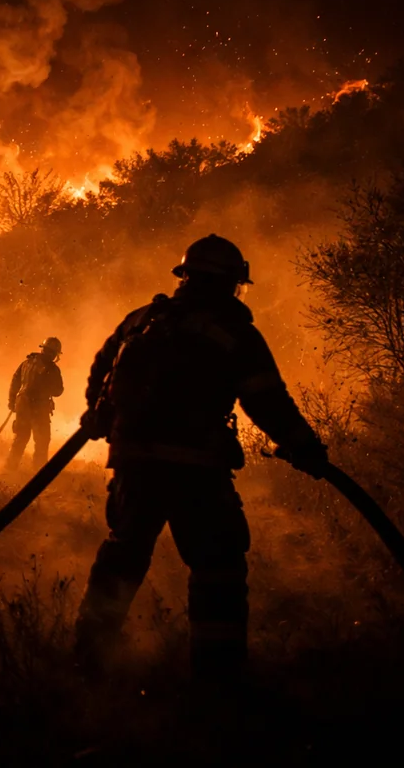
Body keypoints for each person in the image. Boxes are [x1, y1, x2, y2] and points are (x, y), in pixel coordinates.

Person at [75, 235, 328, 683]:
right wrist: (304, 446)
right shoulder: (235, 331)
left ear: (185, 276)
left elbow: (101, 370)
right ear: (231, 282)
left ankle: (89, 657)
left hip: (134, 465)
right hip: (196, 471)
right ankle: (218, 675)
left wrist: (99, 414)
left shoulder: (141, 320)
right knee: (218, 567)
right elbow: (267, 399)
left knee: (124, 555)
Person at [5, 337, 65, 472]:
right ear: (55, 354)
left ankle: (9, 469)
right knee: (42, 440)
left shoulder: (26, 363)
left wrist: (12, 401)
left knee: (20, 437)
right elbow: (58, 390)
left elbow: (15, 382)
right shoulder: (53, 369)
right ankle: (39, 472)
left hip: (22, 403)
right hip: (39, 407)